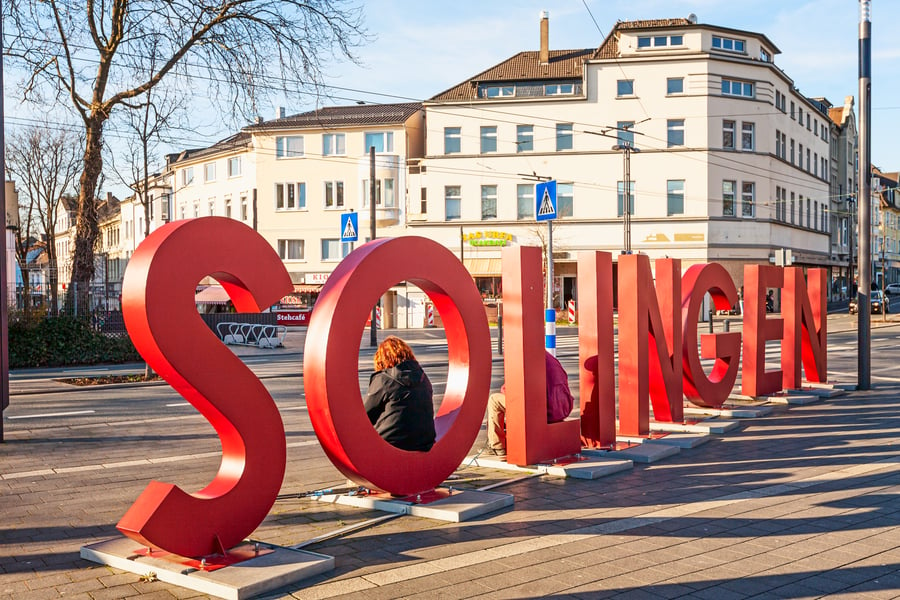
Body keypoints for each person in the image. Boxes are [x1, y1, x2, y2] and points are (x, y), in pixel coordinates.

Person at [484, 351, 574, 459]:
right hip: (562, 408)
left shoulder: (526, 358)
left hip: (546, 410)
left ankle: (497, 446)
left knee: (494, 400)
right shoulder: (551, 359)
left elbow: (510, 389)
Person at [364, 336, 436, 452]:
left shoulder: (384, 379)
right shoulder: (423, 377)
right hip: (424, 442)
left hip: (393, 444)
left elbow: (367, 415)